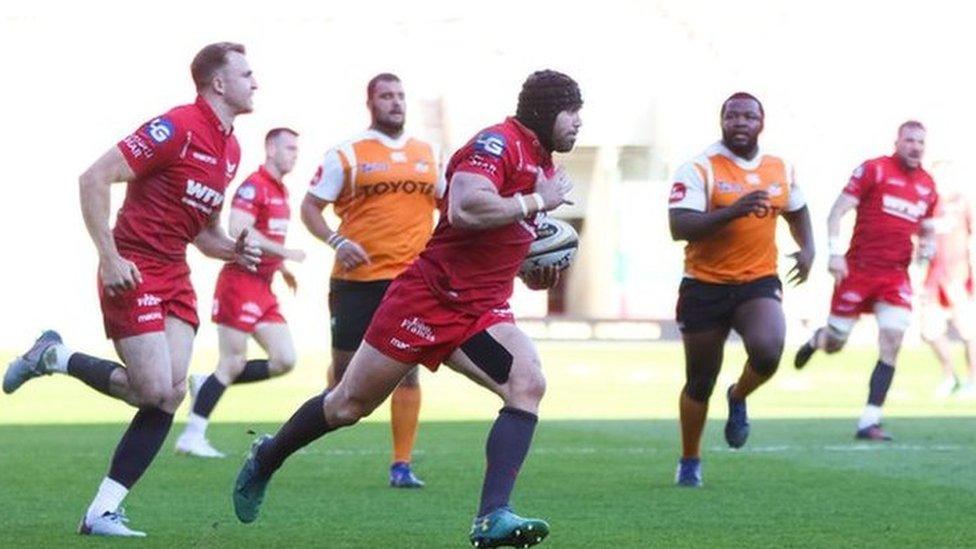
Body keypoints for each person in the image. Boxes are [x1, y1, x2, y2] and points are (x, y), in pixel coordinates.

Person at [233, 69, 582, 548]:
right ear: (545, 111)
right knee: (346, 405)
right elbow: (465, 208)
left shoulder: (544, 167)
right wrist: (538, 200)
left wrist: (535, 269)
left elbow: (505, 240)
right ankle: (267, 457)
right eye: (571, 111)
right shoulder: (498, 145)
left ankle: (491, 517)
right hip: (426, 299)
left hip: (479, 313)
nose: (578, 122)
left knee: (527, 383)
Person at [2, 43, 259, 536]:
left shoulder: (231, 148)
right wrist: (109, 255)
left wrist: (232, 249)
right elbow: (94, 177)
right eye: (247, 74)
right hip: (133, 266)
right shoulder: (177, 126)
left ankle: (102, 511)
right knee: (150, 389)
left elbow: (204, 232)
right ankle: (54, 357)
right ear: (219, 84)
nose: (256, 82)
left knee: (170, 393)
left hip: (175, 273)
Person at [301, 73, 443, 487]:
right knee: (348, 382)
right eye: (386, 96)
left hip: (411, 281)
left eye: (400, 95)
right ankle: (320, 411)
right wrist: (335, 239)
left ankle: (402, 465)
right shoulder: (346, 154)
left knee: (407, 369)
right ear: (371, 103)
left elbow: (451, 208)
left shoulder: (430, 154)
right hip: (357, 279)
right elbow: (310, 207)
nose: (396, 102)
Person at [668, 92, 814, 487]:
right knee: (700, 380)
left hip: (757, 281)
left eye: (749, 116)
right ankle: (689, 459)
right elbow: (679, 226)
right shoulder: (700, 168)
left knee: (768, 350)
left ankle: (739, 395)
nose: (741, 122)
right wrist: (734, 210)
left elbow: (797, 209)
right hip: (703, 285)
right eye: (733, 116)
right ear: (722, 121)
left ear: (761, 122)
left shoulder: (779, 167)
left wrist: (809, 248)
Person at [794, 121, 938, 441]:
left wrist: (928, 246)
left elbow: (927, 228)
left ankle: (869, 420)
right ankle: (818, 339)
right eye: (910, 140)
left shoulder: (928, 185)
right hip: (857, 271)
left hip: (894, 277)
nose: (916, 146)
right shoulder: (874, 170)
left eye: (921, 142)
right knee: (835, 343)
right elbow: (836, 212)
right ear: (897, 142)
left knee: (892, 343)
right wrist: (834, 254)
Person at [174, 128, 306, 458]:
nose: (294, 154)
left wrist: (281, 266)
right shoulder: (254, 185)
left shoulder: (282, 192)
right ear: (271, 149)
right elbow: (237, 229)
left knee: (284, 359)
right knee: (232, 362)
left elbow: (263, 235)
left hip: (264, 287)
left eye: (296, 149)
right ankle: (192, 435)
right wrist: (285, 252)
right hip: (240, 284)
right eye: (289, 148)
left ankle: (207, 384)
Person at [917, 170, 976, 398]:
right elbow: (919, 237)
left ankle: (973, 381)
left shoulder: (961, 202)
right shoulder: (926, 203)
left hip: (960, 275)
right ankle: (950, 377)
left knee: (968, 331)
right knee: (929, 331)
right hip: (933, 277)